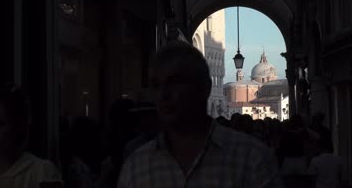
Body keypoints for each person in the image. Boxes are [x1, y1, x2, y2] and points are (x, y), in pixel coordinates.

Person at [118, 41, 283, 187]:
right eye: (156, 85)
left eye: (175, 82)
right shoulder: (135, 167)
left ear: (205, 87)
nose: (163, 94)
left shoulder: (253, 160)